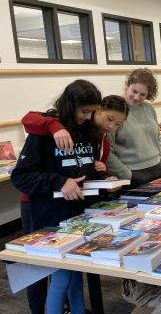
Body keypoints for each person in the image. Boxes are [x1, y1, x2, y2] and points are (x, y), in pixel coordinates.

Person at [11, 79, 102, 314]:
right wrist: (59, 182)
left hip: (79, 217)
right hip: (50, 219)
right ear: (70, 105)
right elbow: (21, 177)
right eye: (84, 111)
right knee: (59, 278)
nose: (87, 117)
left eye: (92, 112)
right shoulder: (44, 133)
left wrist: (102, 175)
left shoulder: (87, 130)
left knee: (74, 277)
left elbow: (80, 170)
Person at [108, 68, 161, 186]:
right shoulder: (114, 110)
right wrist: (126, 174)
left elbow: (156, 138)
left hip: (157, 168)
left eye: (142, 94)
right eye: (134, 91)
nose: (136, 97)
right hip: (133, 174)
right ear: (127, 85)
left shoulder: (149, 108)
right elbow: (107, 151)